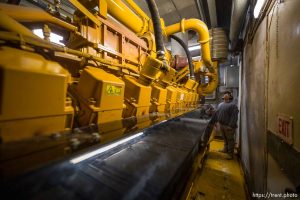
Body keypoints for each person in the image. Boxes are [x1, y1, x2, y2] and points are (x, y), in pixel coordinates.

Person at [214, 91, 239, 159]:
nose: (225, 95)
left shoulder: (233, 105)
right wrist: (216, 121)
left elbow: (234, 117)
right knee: (225, 139)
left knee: (230, 140)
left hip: (228, 126)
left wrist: (230, 126)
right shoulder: (220, 104)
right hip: (222, 125)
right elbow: (217, 113)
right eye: (224, 94)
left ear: (230, 96)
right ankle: (225, 149)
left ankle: (230, 154)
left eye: (227, 94)